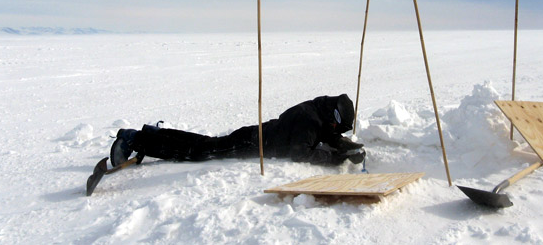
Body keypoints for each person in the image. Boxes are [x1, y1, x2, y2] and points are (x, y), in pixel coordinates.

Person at [110, 94, 366, 167]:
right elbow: (301, 153)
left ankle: (152, 134)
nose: (335, 129)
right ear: (333, 115)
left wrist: (344, 145)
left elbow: (326, 132)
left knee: (205, 144)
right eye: (337, 125)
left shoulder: (319, 110)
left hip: (254, 135)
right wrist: (335, 158)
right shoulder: (309, 120)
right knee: (199, 152)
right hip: (251, 143)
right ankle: (136, 139)